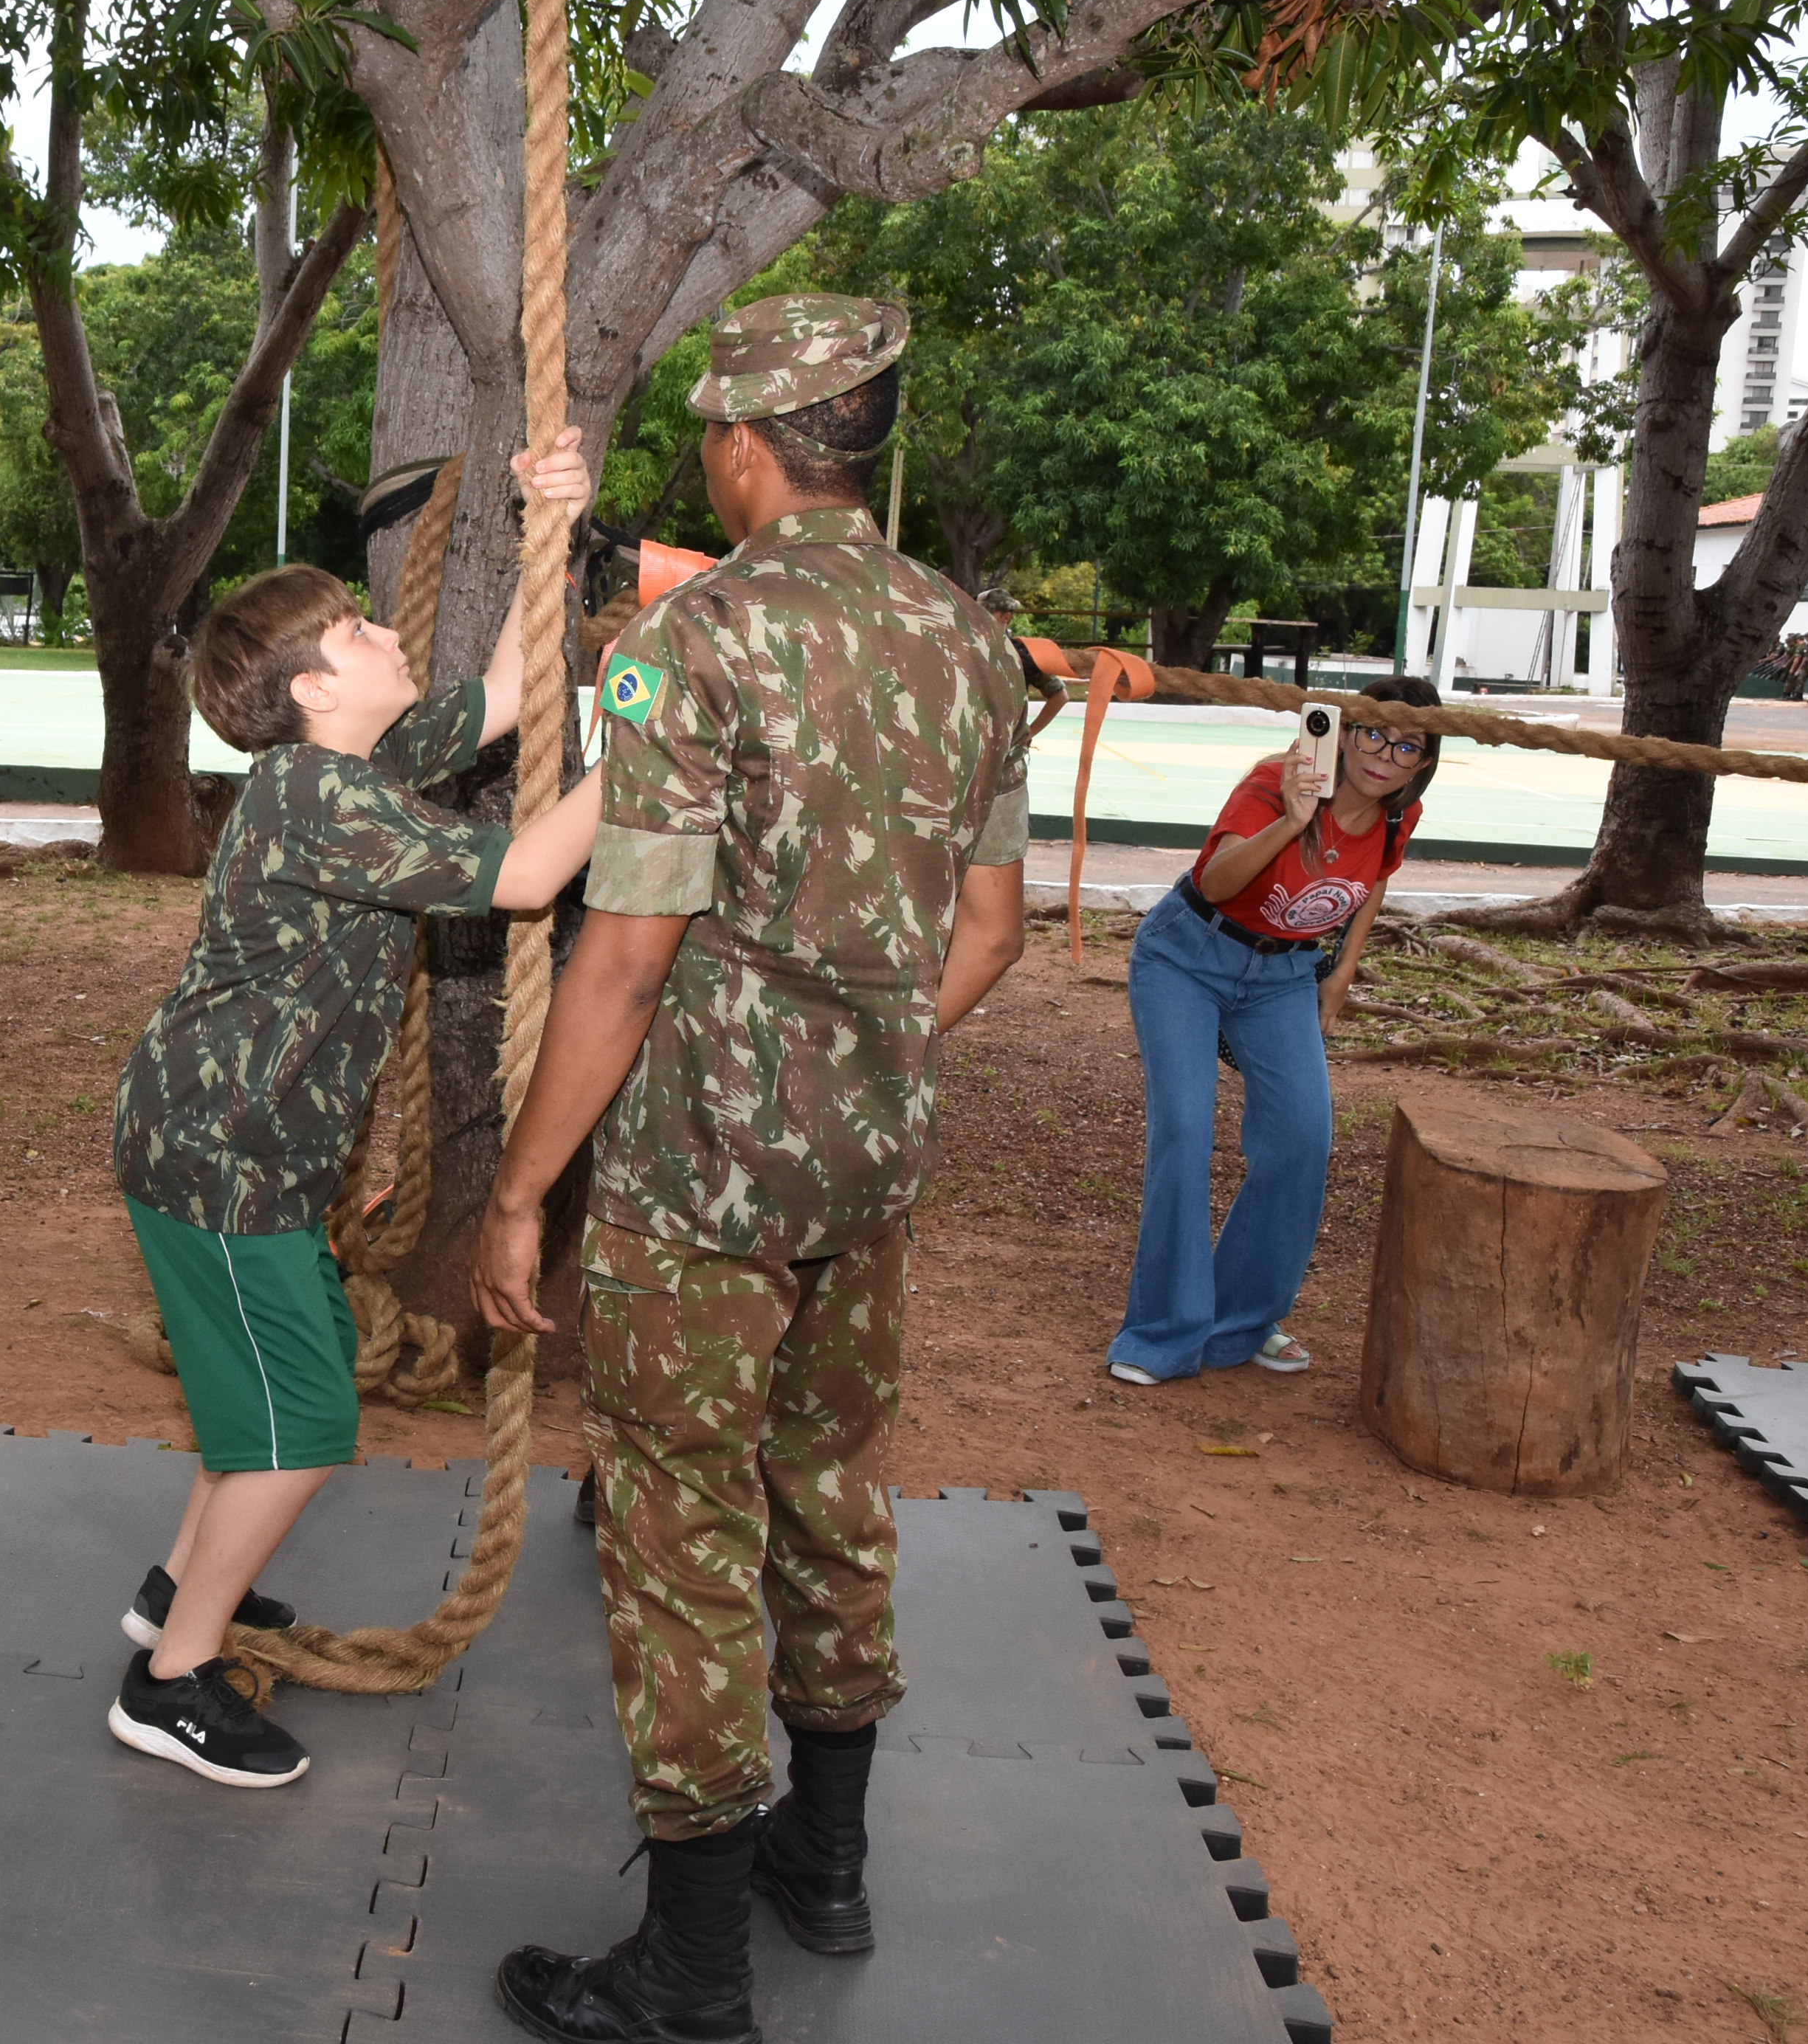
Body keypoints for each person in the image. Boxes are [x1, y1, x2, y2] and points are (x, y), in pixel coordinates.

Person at [466, 294, 1032, 2044]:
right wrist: (855, 1061)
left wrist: (517, 1194)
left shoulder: (688, 640)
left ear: (740, 447)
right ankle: (825, 1863)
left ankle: (693, 1967)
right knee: (831, 1489)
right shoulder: (971, 642)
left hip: (697, 1190)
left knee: (681, 1533)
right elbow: (990, 931)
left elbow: (624, 956)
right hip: (865, 1174)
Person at [103, 476, 602, 1793]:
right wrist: (654, 761)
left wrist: (547, 530)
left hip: (245, 1152)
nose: (388, 632)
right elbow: (526, 874)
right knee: (308, 1421)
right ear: (317, 689)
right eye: (359, 628)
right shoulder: (318, 800)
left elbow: (505, 695)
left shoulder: (354, 764)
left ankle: (178, 1596)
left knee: (277, 1383)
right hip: (219, 1157)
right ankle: (171, 1684)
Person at [1107, 678, 1440, 1387]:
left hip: (1286, 975)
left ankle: (1241, 1322)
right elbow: (1217, 882)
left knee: (1301, 1138)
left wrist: (1342, 972)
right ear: (1344, 733)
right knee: (1185, 1132)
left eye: (1407, 746)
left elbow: (1376, 878)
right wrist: (1292, 820)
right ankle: (1163, 1332)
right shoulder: (1274, 781)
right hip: (1188, 955)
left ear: (1423, 762)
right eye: (1374, 733)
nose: (1385, 755)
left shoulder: (1397, 815)